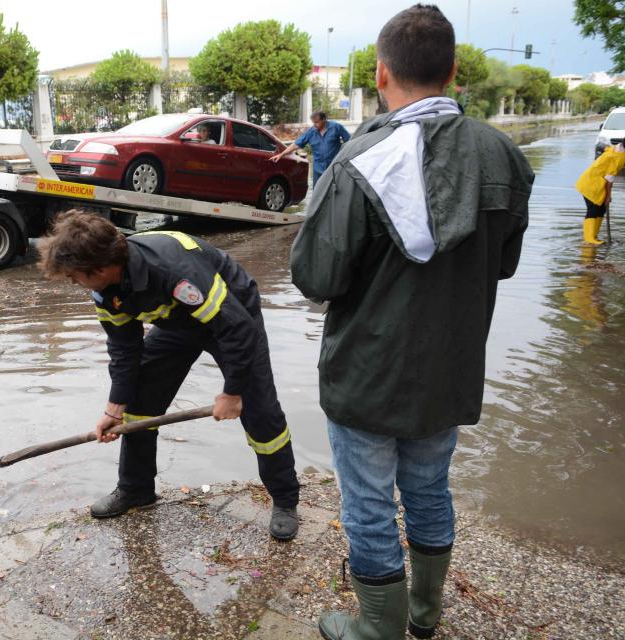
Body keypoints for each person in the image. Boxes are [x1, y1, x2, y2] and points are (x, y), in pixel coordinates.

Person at [288, 5, 534, 640]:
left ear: (381, 74)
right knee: (428, 489)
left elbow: (316, 278)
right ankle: (424, 619)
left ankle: (378, 629)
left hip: (366, 376)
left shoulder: (359, 161)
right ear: (454, 72)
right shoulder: (504, 157)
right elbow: (502, 265)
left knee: (369, 504)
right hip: (451, 370)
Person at [39, 211, 300, 540]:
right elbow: (123, 349)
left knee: (260, 412)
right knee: (138, 404)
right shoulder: (106, 290)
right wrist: (113, 409)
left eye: (74, 276)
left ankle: (286, 500)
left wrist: (233, 393)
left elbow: (236, 330)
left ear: (100, 268)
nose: (73, 281)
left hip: (232, 319)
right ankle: (136, 490)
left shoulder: (174, 272)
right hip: (177, 325)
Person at [268, 111, 350, 184]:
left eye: (317, 122)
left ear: (324, 120)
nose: (314, 125)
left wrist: (345, 157)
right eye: (313, 122)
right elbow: (296, 144)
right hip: (318, 169)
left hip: (334, 167)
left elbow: (349, 141)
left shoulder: (336, 127)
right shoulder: (311, 132)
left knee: (335, 192)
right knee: (318, 193)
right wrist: (281, 154)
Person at [575, 141, 625, 245]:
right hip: (591, 184)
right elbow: (609, 179)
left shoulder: (617, 149)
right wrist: (608, 196)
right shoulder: (620, 157)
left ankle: (594, 236)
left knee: (601, 209)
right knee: (593, 209)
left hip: (595, 182)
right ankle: (589, 239)